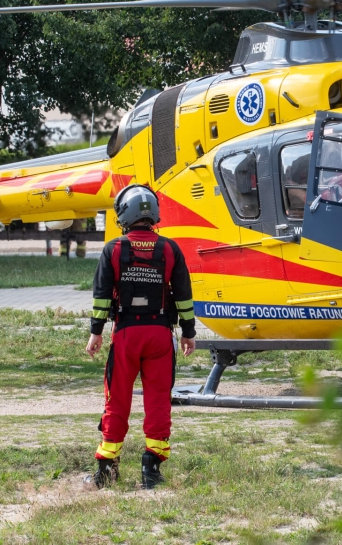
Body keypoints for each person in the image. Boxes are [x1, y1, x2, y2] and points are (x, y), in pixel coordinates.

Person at [85, 184, 196, 490]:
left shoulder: (113, 249)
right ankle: (151, 469)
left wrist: (95, 333)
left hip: (126, 336)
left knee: (116, 400)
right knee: (158, 400)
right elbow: (184, 296)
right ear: (153, 215)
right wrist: (188, 333)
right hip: (160, 335)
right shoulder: (171, 249)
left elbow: (102, 296)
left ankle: (106, 470)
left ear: (124, 213)